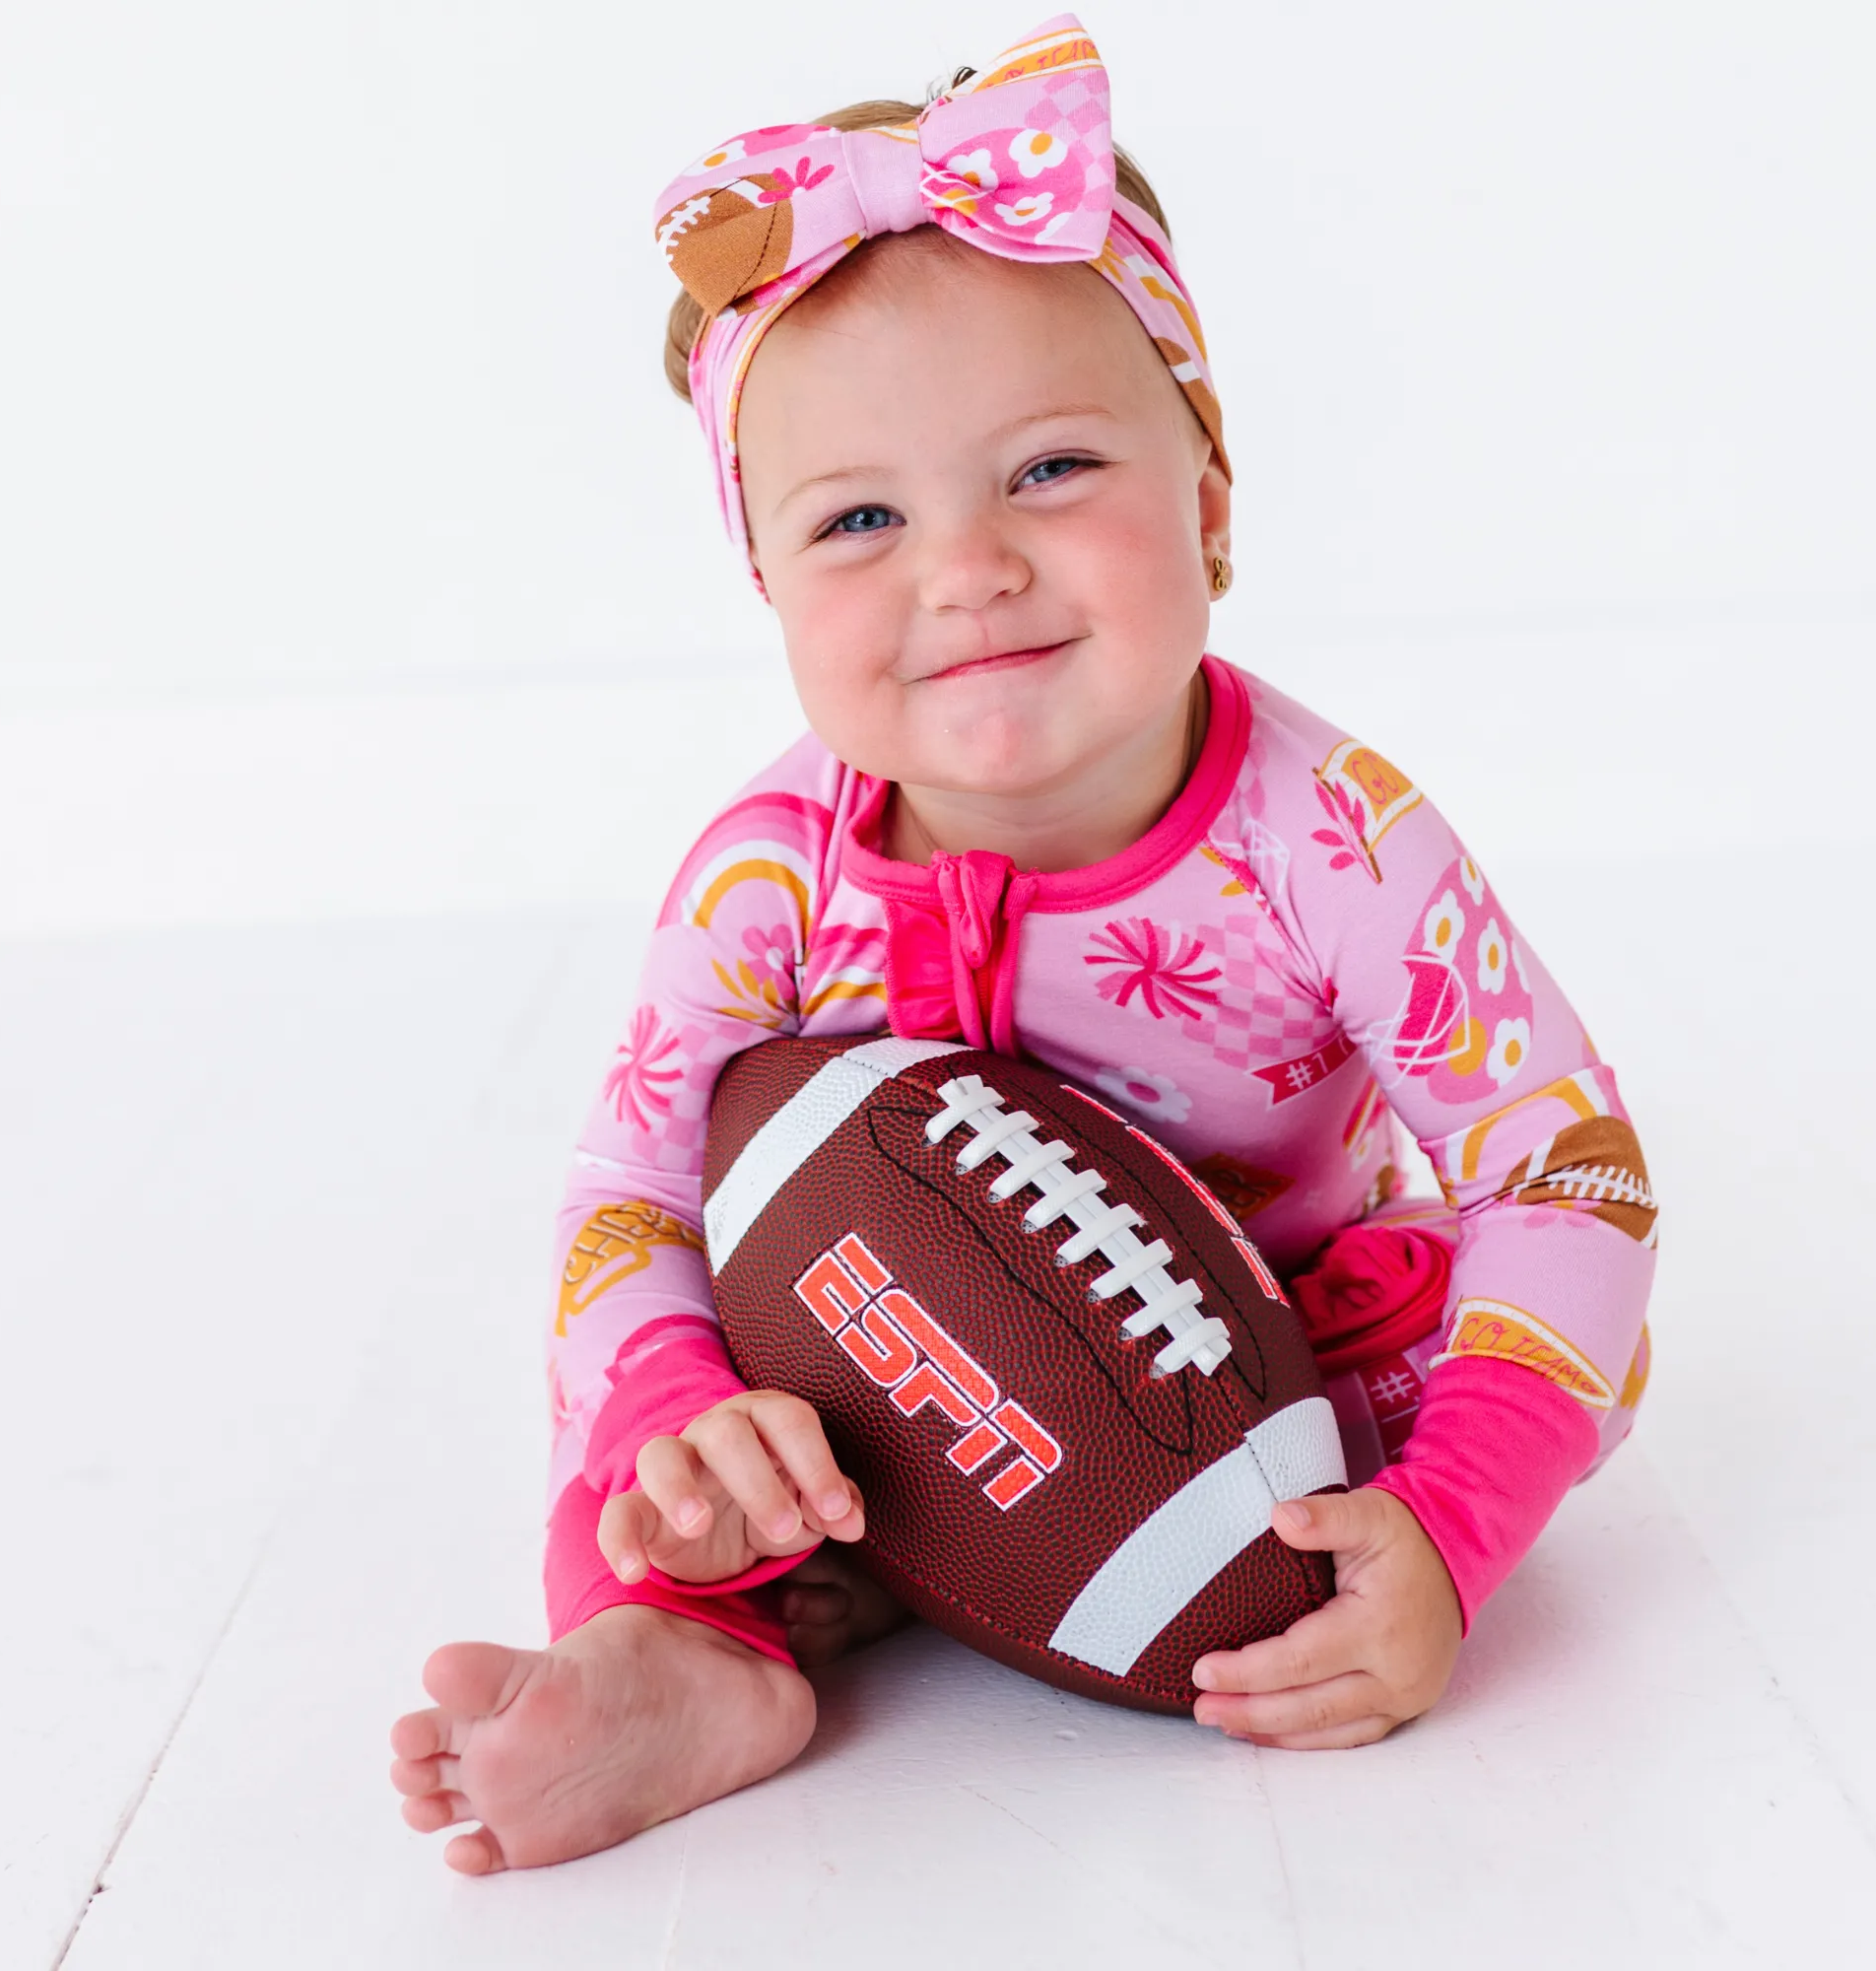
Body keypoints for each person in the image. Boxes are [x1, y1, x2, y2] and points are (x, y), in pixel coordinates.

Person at [388, 15, 1658, 1874]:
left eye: (1052, 471)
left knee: (1437, 1374)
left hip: (1268, 1357)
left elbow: (1571, 1175)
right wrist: (681, 1419)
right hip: (861, 1362)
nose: (963, 568)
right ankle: (696, 1651)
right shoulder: (766, 874)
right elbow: (627, 1194)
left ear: (1210, 504)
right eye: (862, 518)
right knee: (644, 1437)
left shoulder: (1334, 843)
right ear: (767, 587)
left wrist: (1456, 1524)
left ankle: (978, 1583)